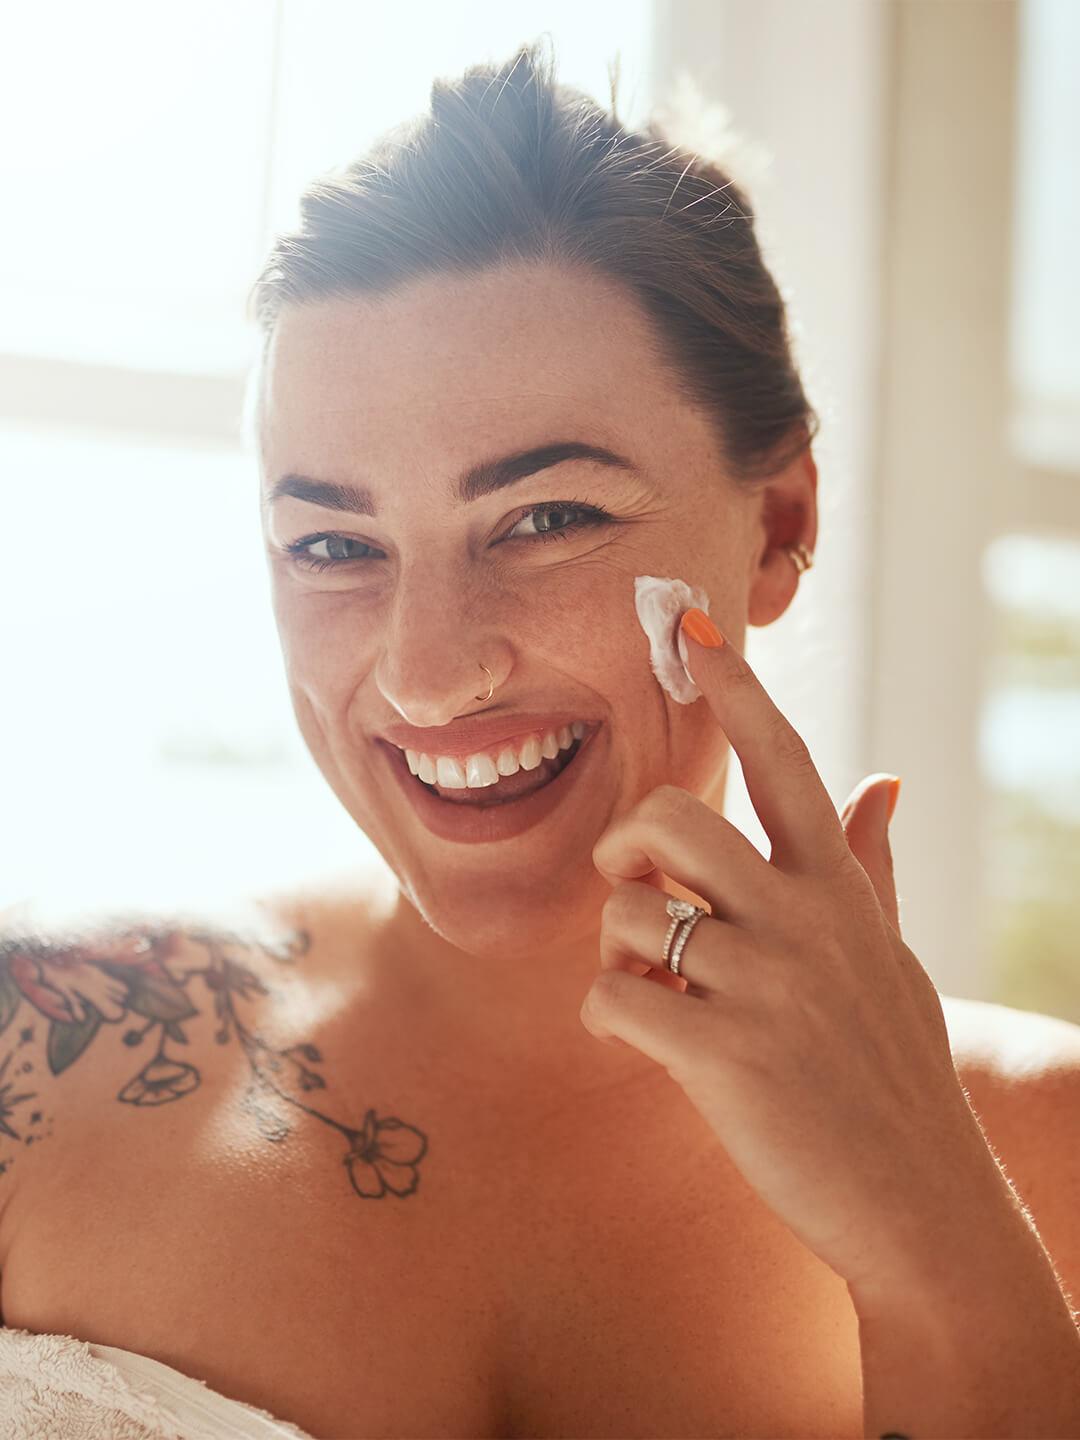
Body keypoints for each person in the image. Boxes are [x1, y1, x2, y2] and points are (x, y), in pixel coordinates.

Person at [2, 38, 1079, 1440]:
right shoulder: (40, 1041)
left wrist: (939, 1247)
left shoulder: (1052, 1149)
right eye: (333, 543)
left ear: (781, 524)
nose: (429, 671)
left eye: (548, 518)